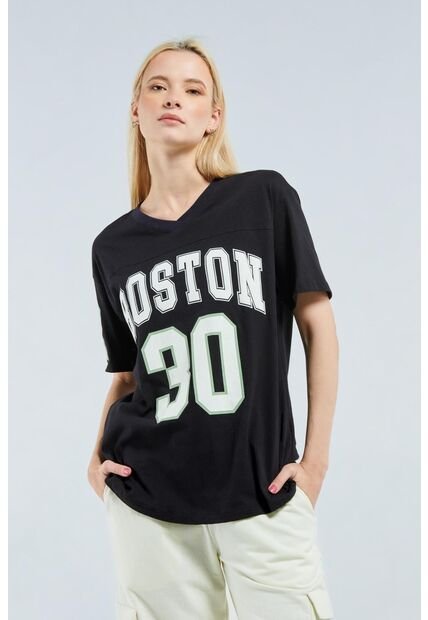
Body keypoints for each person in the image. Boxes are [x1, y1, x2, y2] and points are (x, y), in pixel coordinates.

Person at [87, 37, 339, 620]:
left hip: (262, 491)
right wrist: (94, 459)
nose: (173, 98)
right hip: (148, 506)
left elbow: (317, 326)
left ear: (213, 117)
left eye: (193, 89)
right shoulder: (112, 247)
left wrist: (315, 463)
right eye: (158, 86)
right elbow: (127, 375)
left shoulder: (263, 199)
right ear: (136, 110)